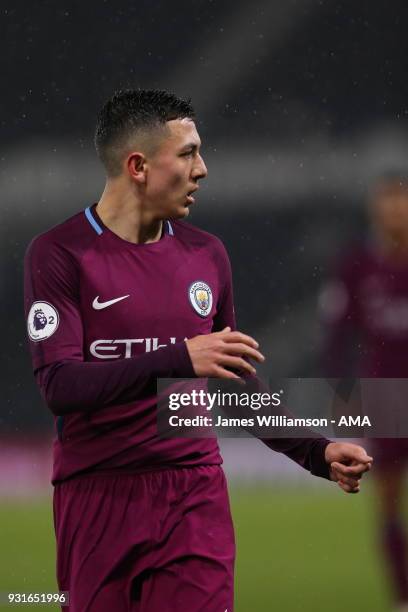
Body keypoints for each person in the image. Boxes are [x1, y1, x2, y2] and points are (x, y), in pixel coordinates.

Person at [25, 89, 372, 612]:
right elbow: (61, 386)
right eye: (187, 153)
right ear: (138, 165)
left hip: (192, 492)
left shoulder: (206, 255)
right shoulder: (60, 255)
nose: (203, 168)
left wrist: (315, 450)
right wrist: (177, 358)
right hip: (95, 495)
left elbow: (235, 379)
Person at [320, 172, 408, 612]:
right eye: (386, 204)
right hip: (385, 395)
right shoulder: (358, 265)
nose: (393, 212)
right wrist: (343, 391)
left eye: (400, 203)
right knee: (388, 500)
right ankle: (401, 596)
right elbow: (336, 334)